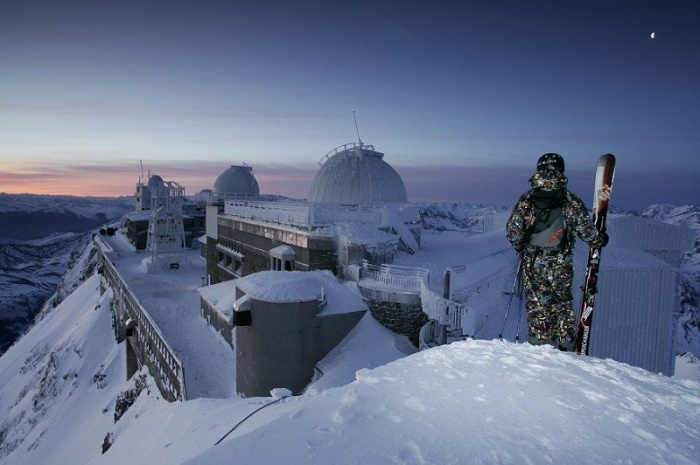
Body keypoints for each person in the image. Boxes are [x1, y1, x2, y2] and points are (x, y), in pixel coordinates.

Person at [506, 153, 608, 350]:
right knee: (561, 302)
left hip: (534, 261)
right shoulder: (570, 200)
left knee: (537, 305)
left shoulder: (527, 199)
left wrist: (522, 247)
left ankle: (539, 346)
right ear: (561, 170)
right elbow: (586, 231)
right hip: (561, 261)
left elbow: (513, 230)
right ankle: (565, 346)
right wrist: (600, 239)